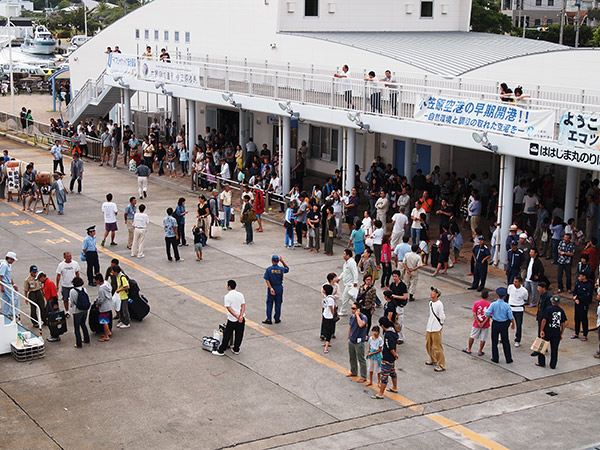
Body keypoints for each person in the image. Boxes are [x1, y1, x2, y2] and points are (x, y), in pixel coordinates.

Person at [213, 280, 246, 356]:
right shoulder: (240, 295)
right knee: (239, 334)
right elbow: (243, 305)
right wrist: (240, 316)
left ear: (229, 287)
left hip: (232, 319)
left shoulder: (227, 296)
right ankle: (236, 349)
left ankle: (221, 350)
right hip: (241, 319)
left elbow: (229, 308)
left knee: (227, 334)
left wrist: (236, 316)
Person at [485, 287, 515, 364]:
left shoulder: (493, 304)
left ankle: (495, 358)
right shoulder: (507, 305)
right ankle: (508, 358)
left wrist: (492, 316)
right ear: (505, 296)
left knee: (494, 341)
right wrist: (513, 324)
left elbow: (487, 313)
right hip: (504, 324)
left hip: (495, 323)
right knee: (505, 341)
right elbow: (510, 316)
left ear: (497, 295)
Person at [537, 295, 567, 369]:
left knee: (542, 347)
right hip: (556, 332)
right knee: (554, 349)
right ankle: (553, 364)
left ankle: (541, 362)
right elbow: (563, 324)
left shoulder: (548, 309)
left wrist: (541, 330)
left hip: (547, 331)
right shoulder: (561, 310)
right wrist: (561, 333)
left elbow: (544, 320)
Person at [372, 318, 398, 399]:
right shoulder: (394, 331)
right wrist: (395, 354)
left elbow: (390, 347)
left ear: (383, 326)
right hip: (392, 358)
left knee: (384, 376)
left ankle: (380, 393)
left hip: (387, 358)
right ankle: (394, 387)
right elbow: (396, 343)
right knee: (392, 372)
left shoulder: (387, 334)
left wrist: (394, 354)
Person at [462, 290, 490, 356]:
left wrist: (478, 322)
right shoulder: (489, 305)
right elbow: (488, 315)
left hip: (476, 323)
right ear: (488, 296)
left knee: (472, 335)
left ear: (481, 295)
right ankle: (480, 351)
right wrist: (483, 323)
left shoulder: (476, 303)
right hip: (485, 324)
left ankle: (469, 349)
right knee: (483, 338)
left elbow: (474, 313)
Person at [262, 255, 289, 324]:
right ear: (278, 261)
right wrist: (282, 261)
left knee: (269, 303)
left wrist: (270, 288)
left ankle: (269, 319)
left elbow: (267, 280)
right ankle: (277, 318)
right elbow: (287, 268)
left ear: (272, 261)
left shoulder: (269, 269)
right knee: (278, 303)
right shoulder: (281, 269)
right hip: (279, 287)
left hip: (272, 287)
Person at [346, 302, 368, 383]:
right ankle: (353, 371)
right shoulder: (352, 317)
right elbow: (350, 327)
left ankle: (363, 376)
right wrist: (348, 338)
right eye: (352, 308)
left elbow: (361, 324)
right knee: (352, 357)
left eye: (354, 308)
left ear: (358, 309)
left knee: (361, 359)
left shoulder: (363, 317)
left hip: (359, 341)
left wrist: (357, 315)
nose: (352, 310)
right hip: (352, 340)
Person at [426, 287, 446, 372]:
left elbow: (441, 315)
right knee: (428, 344)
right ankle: (433, 358)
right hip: (430, 326)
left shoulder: (439, 304)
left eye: (433, 292)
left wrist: (441, 323)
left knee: (437, 347)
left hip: (436, 328)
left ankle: (441, 365)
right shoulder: (431, 303)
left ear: (437, 294)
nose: (431, 293)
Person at [56, 252, 80, 317]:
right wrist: (57, 285)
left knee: (75, 299)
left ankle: (76, 310)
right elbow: (58, 275)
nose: (69, 258)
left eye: (70, 256)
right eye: (68, 256)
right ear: (64, 257)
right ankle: (67, 311)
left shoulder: (75, 264)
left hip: (73, 286)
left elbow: (77, 273)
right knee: (65, 299)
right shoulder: (61, 265)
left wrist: (78, 283)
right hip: (65, 285)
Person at [68, 277, 90, 348]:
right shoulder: (84, 289)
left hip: (77, 311)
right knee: (83, 324)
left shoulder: (72, 291)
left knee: (77, 328)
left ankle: (78, 343)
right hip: (85, 310)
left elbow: (71, 302)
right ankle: (87, 339)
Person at [571, 271, 593, 341]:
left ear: (584, 277)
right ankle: (576, 333)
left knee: (584, 319)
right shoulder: (578, 283)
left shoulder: (589, 285)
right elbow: (575, 291)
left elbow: (587, 296)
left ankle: (585, 335)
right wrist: (575, 298)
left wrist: (578, 298)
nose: (579, 277)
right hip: (577, 303)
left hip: (584, 304)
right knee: (576, 318)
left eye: (580, 276)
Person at [508, 276, 528, 347]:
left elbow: (525, 298)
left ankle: (517, 339)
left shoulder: (524, 291)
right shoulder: (510, 287)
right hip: (510, 307)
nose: (514, 283)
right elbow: (509, 294)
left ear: (520, 283)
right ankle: (502, 336)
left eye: (516, 282)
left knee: (519, 325)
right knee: (506, 323)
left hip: (519, 309)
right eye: (514, 281)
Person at [388, 270, 408, 344]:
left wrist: (396, 296)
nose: (394, 278)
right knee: (394, 321)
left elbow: (405, 297)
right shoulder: (392, 284)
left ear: (399, 276)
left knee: (399, 322)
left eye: (396, 276)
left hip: (400, 305)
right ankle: (395, 335)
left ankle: (401, 337)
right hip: (393, 305)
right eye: (393, 276)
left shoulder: (403, 285)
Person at [340, 249, 359, 315]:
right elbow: (344, 272)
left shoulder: (352, 263)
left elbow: (355, 272)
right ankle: (360, 306)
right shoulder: (346, 263)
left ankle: (343, 311)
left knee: (345, 298)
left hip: (350, 284)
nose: (343, 256)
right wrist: (339, 278)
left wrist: (355, 282)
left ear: (348, 255)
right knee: (353, 297)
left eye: (344, 254)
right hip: (347, 283)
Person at [320, 284, 336, 354]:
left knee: (328, 331)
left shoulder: (330, 299)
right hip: (326, 315)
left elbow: (331, 308)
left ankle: (326, 346)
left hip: (329, 316)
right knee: (326, 329)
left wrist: (334, 315)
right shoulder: (326, 297)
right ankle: (328, 342)